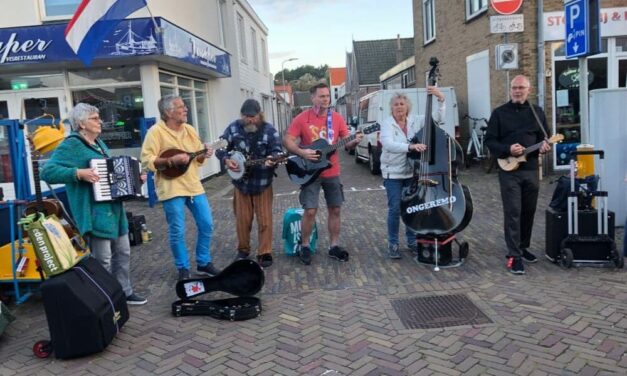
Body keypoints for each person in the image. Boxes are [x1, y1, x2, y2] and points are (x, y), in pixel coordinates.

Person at [40, 103, 147, 305]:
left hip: (114, 210)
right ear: (81, 124)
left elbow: (111, 175)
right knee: (103, 259)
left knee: (123, 252)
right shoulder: (71, 144)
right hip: (94, 212)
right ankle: (104, 297)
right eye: (94, 118)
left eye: (98, 117)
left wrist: (134, 180)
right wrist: (78, 173)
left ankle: (124, 291)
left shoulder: (99, 144)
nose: (100, 121)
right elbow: (47, 172)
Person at [283, 83, 363, 265]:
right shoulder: (302, 118)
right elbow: (287, 140)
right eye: (321, 96)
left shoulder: (336, 118)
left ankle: (334, 246)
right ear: (313, 98)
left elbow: (346, 143)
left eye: (327, 96)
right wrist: (302, 153)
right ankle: (304, 246)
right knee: (310, 211)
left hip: (332, 171)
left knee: (335, 209)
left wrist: (355, 141)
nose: (325, 99)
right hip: (310, 172)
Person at [140, 95, 218, 280]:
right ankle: (183, 267)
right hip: (171, 187)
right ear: (168, 112)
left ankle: (203, 262)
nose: (186, 109)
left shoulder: (189, 130)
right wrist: (170, 160)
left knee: (207, 224)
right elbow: (146, 160)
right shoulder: (155, 132)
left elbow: (197, 159)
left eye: (184, 106)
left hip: (193, 185)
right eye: (181, 107)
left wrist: (205, 154)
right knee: (177, 230)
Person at [485, 75, 551, 275]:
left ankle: (523, 247)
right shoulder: (499, 114)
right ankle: (514, 256)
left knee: (528, 211)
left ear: (528, 90)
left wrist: (545, 147)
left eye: (521, 87)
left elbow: (544, 139)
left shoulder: (537, 112)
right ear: (510, 90)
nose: (517, 91)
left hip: (530, 169)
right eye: (514, 87)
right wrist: (507, 149)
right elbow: (489, 141)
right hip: (508, 170)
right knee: (513, 211)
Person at [215, 99, 282, 268]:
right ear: (242, 115)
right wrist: (226, 159)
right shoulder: (233, 128)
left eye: (253, 116)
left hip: (262, 183)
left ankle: (264, 252)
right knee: (242, 220)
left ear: (260, 114)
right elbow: (220, 146)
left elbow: (277, 151)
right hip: (241, 184)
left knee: (265, 220)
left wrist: (271, 160)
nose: (250, 120)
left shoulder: (269, 130)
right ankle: (243, 249)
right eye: (247, 116)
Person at [380, 88, 445, 259]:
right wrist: (410, 147)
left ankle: (411, 241)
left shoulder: (415, 121)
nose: (399, 107)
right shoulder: (387, 123)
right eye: (396, 105)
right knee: (395, 209)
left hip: (412, 172)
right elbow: (388, 144)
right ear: (391, 108)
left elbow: (438, 119)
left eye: (402, 104)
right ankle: (393, 243)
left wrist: (440, 100)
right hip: (392, 174)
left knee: (411, 207)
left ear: (407, 106)